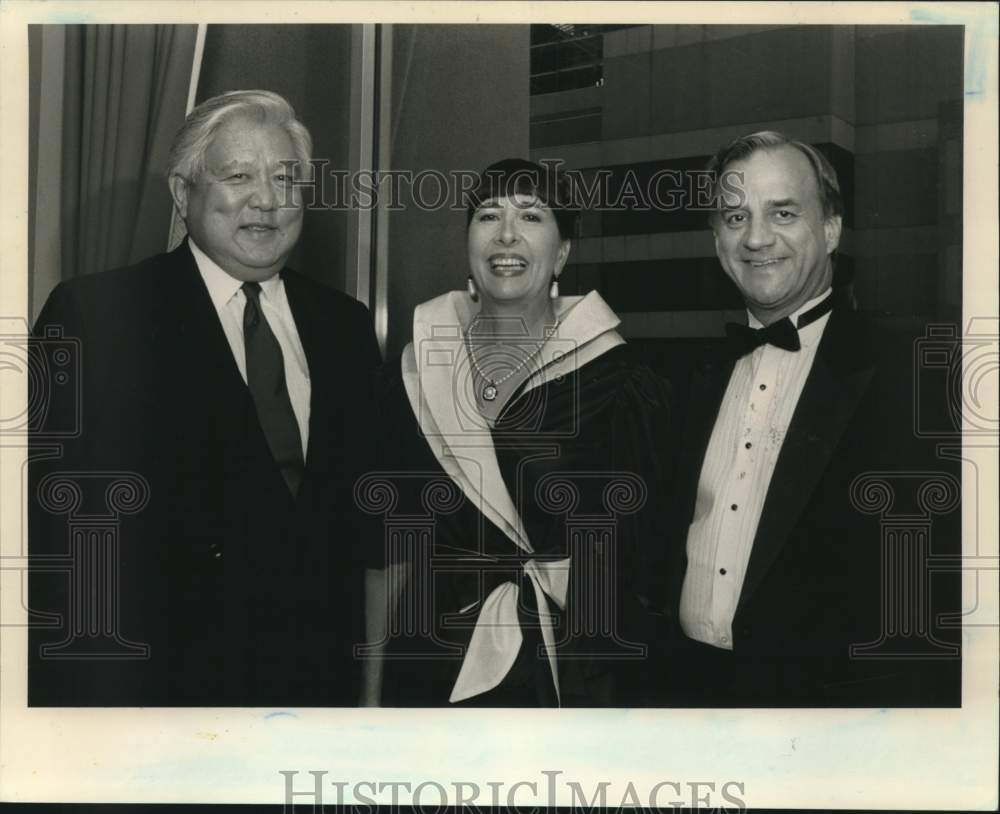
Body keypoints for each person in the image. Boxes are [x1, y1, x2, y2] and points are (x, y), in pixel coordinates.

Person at [28, 90, 381, 706]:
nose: (266, 201)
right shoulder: (98, 314)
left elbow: (370, 527)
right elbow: (52, 534)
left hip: (314, 695)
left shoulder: (344, 327)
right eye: (238, 175)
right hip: (158, 697)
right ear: (181, 192)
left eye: (285, 178)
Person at [652, 131, 961, 706]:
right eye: (735, 216)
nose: (757, 238)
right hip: (687, 699)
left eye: (783, 212)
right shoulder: (690, 378)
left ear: (832, 229)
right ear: (717, 238)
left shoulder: (920, 373)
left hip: (827, 718)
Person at [360, 158, 671, 707]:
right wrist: (370, 701)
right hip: (434, 665)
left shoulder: (622, 382)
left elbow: (648, 562)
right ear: (467, 244)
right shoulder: (407, 377)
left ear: (564, 252)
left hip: (576, 668)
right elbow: (388, 557)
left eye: (531, 216)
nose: (506, 234)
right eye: (487, 216)